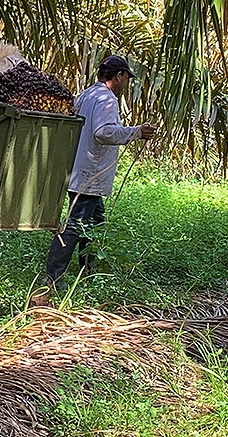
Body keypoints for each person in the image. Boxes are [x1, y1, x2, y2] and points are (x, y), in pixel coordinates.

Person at [43, 55, 158, 291]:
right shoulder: (106, 99)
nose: (125, 84)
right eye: (126, 78)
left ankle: (88, 270)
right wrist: (135, 132)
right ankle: (52, 277)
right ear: (119, 76)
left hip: (78, 169)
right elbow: (103, 132)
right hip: (90, 173)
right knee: (76, 225)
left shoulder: (85, 95)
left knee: (95, 222)